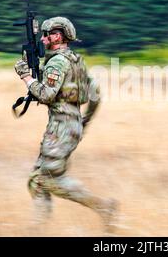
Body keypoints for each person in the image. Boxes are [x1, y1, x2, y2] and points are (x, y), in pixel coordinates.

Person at [14, 16, 117, 233]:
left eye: (46, 35)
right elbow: (95, 93)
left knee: (49, 179)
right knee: (36, 180)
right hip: (68, 125)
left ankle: (103, 207)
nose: (42, 39)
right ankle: (38, 229)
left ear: (57, 36)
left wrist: (26, 76)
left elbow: (47, 95)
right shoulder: (76, 60)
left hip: (62, 127)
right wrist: (84, 121)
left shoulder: (58, 62)